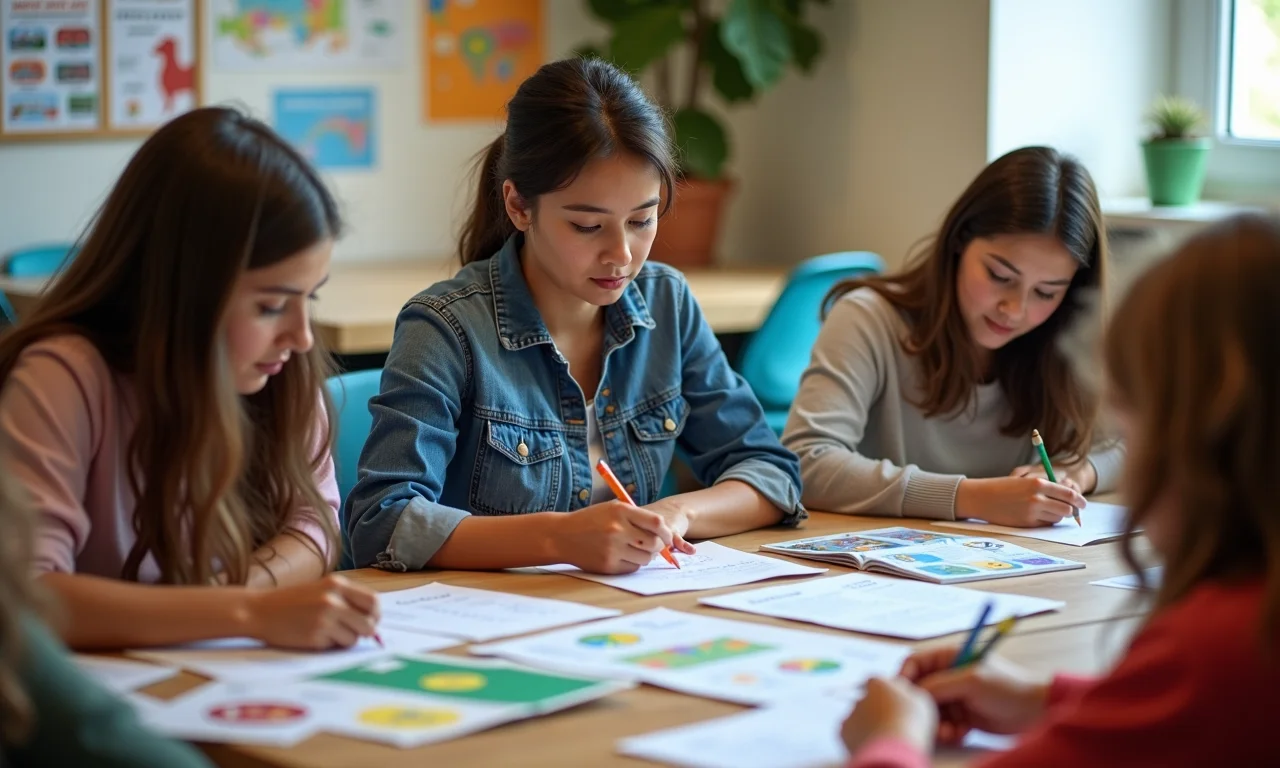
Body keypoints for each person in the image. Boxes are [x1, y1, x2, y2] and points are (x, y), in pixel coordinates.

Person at [839, 213, 1280, 767]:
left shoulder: (1218, 644)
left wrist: (891, 736)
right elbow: (1178, 719)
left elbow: (1193, 699)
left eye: (1131, 424)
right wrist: (1048, 700)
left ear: (1197, 438)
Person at [347, 57, 804, 573]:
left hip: (626, 609)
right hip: (494, 610)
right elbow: (381, 523)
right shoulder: (444, 327)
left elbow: (771, 472)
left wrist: (675, 514)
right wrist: (558, 539)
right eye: (588, 226)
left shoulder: (667, 303)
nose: (622, 255)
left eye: (642, 220)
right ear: (519, 206)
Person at [0, 107, 380, 650]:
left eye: (310, 297)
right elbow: (29, 597)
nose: (302, 337)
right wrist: (245, 611)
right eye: (271, 305)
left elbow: (313, 528)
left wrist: (231, 605)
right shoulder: (63, 377)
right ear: (182, 293)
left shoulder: (280, 373)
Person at [784, 147, 1120, 527]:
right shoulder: (868, 319)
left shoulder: (1062, 339)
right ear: (960, 240)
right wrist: (972, 498)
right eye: (1000, 276)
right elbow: (806, 461)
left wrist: (1074, 472)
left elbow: (1135, 445)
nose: (1014, 309)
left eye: (1046, 292)